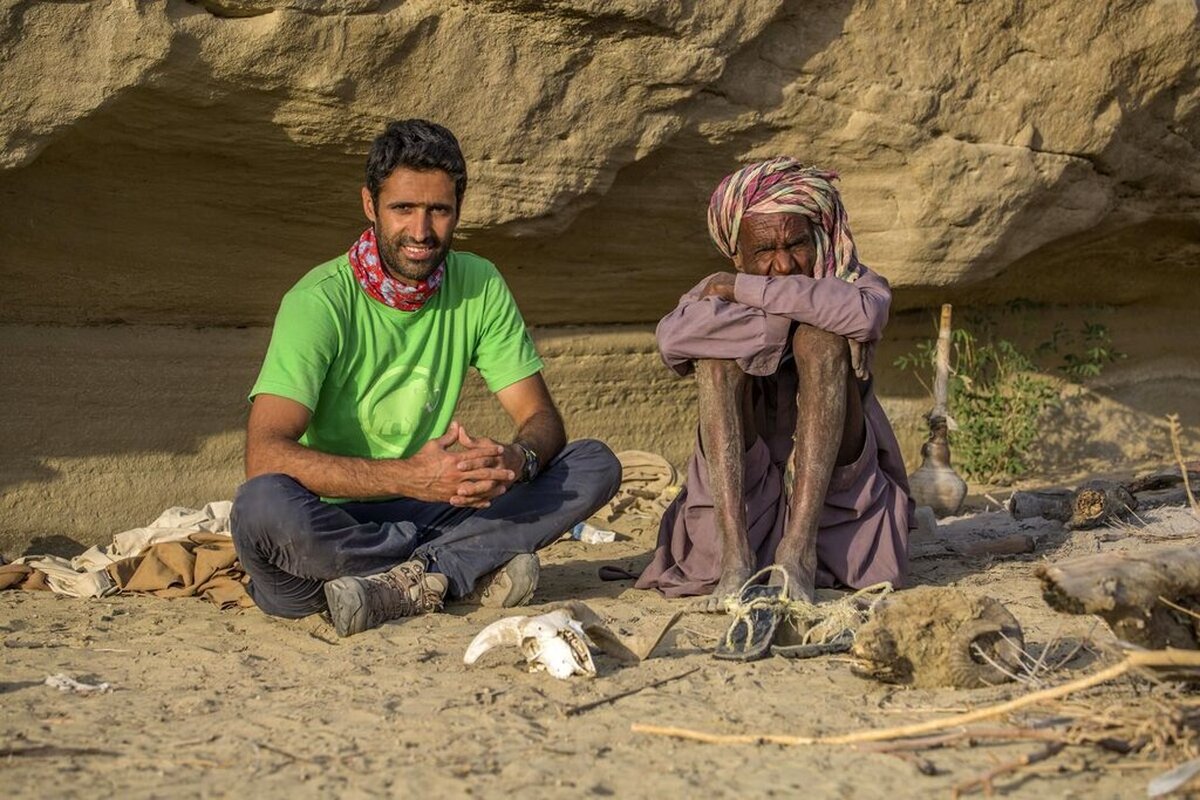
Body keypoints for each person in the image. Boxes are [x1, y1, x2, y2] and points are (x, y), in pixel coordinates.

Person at [231, 119, 621, 637]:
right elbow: (265, 455)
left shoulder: (478, 283)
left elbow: (539, 417)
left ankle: (408, 583)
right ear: (370, 205)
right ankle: (460, 569)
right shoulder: (318, 301)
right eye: (403, 209)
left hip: (431, 510)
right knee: (260, 507)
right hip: (335, 522)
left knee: (592, 463)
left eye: (438, 210)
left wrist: (517, 459)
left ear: (458, 207)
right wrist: (413, 476)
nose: (421, 231)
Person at [636, 157, 914, 611]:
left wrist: (748, 295)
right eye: (764, 252)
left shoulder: (854, 281)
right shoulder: (713, 289)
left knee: (823, 341)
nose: (783, 265)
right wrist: (799, 313)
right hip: (746, 494)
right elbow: (673, 339)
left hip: (837, 495)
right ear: (737, 256)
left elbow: (864, 314)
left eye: (797, 244)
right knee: (717, 362)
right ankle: (735, 557)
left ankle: (799, 551)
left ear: (819, 237)